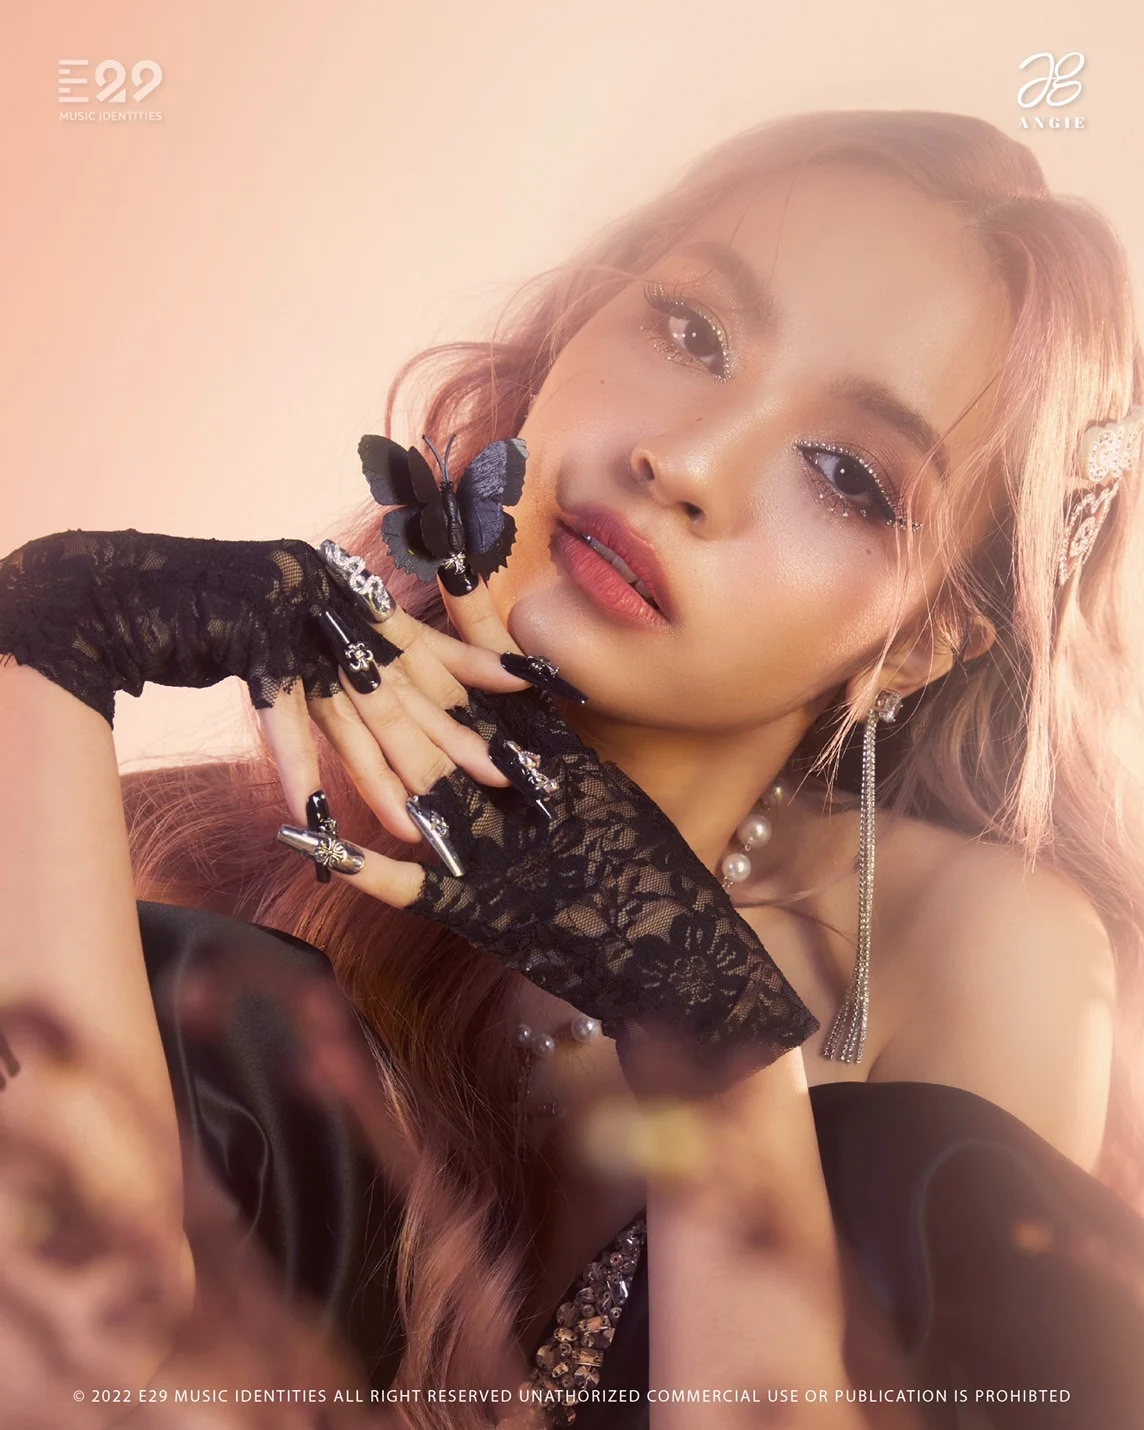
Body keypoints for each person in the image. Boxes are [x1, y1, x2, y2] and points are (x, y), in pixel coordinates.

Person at [3, 107, 1144, 1429]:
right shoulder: (186, 875)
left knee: (903, 1168)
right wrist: (52, 630)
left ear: (923, 639)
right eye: (693, 332)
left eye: (847, 474)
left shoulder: (972, 952)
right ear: (566, 342)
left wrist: (708, 1027)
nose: (688, 462)